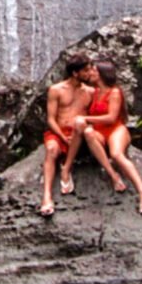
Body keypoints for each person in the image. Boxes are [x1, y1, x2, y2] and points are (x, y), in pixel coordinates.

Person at [64, 57, 142, 215]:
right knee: (88, 132)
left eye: (93, 70)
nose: (90, 72)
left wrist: (85, 118)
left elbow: (111, 118)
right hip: (99, 132)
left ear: (102, 73)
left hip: (116, 129)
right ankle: (113, 175)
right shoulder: (95, 91)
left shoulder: (115, 92)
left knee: (117, 154)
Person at [40, 54, 94, 216]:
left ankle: (66, 167)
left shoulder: (90, 91)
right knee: (51, 150)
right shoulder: (56, 90)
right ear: (75, 73)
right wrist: (63, 138)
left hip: (79, 134)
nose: (90, 73)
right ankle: (47, 196)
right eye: (86, 70)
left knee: (81, 127)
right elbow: (50, 119)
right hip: (59, 133)